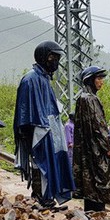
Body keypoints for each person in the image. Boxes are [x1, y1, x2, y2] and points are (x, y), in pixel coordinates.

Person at [14, 40, 75, 209]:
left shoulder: (44, 79)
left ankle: (48, 198)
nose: (57, 62)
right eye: (54, 57)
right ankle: (41, 199)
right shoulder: (30, 79)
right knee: (41, 167)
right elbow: (25, 113)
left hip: (50, 133)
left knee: (52, 165)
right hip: (38, 134)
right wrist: (33, 134)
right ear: (46, 57)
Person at [73, 66, 110, 212]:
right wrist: (108, 147)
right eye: (98, 79)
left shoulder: (81, 98)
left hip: (85, 149)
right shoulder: (91, 99)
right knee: (101, 180)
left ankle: (90, 212)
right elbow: (99, 126)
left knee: (88, 183)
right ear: (90, 81)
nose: (101, 82)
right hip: (96, 149)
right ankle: (98, 213)